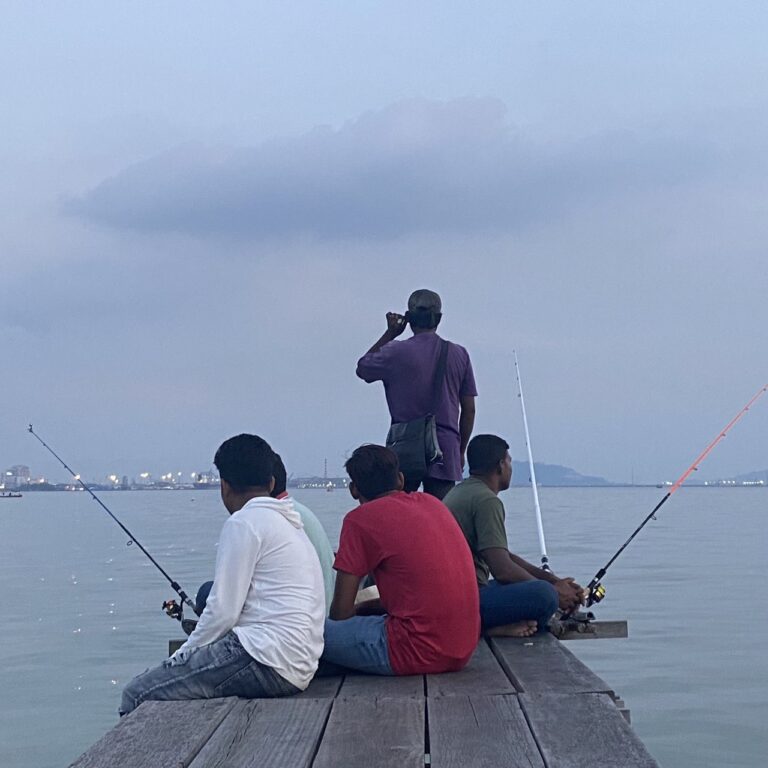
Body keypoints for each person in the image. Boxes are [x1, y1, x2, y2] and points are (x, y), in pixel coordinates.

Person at [121, 434, 325, 715]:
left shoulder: (244, 522)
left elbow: (223, 612)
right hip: (299, 665)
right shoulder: (289, 522)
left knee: (136, 693)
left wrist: (182, 656)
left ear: (224, 486)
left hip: (264, 660)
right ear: (271, 483)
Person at [321, 444, 479, 675]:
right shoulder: (433, 504)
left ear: (354, 489)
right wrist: (367, 607)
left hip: (414, 651)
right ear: (401, 479)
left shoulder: (359, 520)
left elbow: (340, 614)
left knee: (303, 633)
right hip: (462, 648)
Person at [443, 434, 584, 637]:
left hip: (456, 597)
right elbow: (503, 571)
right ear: (500, 465)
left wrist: (554, 581)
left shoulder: (463, 492)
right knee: (544, 597)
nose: (511, 467)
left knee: (543, 589)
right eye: (509, 460)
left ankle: (496, 625)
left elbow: (505, 557)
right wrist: (553, 592)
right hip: (462, 603)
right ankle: (486, 629)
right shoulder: (486, 501)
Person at [356, 289, 476, 500]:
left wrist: (390, 333)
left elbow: (363, 369)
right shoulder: (459, 354)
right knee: (441, 517)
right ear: (439, 319)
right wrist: (460, 450)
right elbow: (469, 410)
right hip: (445, 448)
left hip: (404, 446)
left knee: (399, 514)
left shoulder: (395, 351)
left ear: (409, 319)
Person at [196, 453, 335, 616]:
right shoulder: (295, 511)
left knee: (209, 594)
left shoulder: (266, 520)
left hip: (302, 618)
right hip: (319, 611)